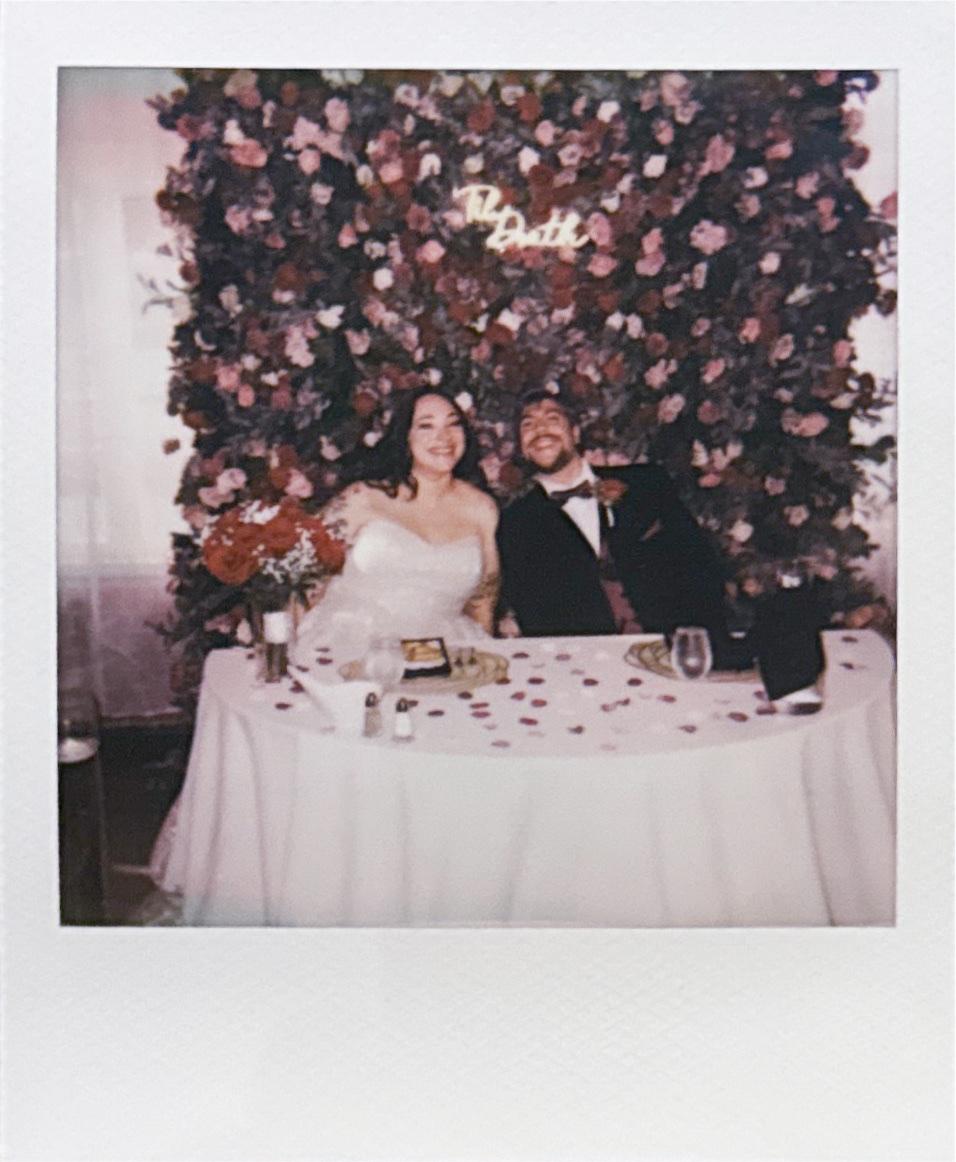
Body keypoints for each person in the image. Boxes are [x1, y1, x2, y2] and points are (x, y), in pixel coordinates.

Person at [496, 389, 751, 669]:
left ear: (575, 433)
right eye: (528, 425)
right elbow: (535, 613)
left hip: (673, 654)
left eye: (552, 419)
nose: (541, 431)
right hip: (586, 666)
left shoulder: (647, 483)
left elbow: (701, 565)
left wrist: (692, 646)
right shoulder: (515, 523)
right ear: (522, 447)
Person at [296, 386, 500, 657]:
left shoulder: (482, 508)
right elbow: (303, 583)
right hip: (352, 648)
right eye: (426, 426)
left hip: (444, 652)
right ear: (405, 437)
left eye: (453, 424)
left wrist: (486, 662)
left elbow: (482, 600)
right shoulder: (362, 498)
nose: (443, 437)